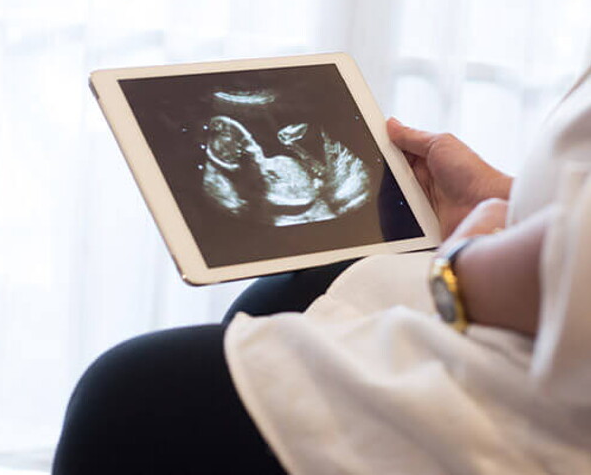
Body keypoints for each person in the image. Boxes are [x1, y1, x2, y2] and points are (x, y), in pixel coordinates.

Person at [52, 65, 591, 474]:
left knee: (129, 395)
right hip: (540, 295)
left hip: (551, 392)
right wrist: (503, 201)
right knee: (290, 290)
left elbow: (568, 282)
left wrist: (463, 263)